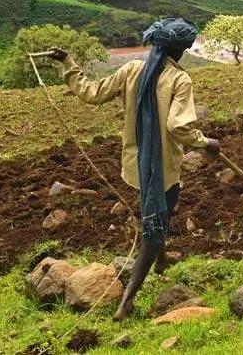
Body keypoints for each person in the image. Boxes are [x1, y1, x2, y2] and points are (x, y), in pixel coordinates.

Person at [47, 17, 220, 321]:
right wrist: (206, 142)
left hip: (135, 164)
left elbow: (91, 93)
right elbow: (178, 127)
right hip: (163, 168)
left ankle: (163, 261)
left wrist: (68, 62)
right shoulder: (180, 80)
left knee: (153, 213)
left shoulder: (131, 70)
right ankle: (127, 302)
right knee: (154, 230)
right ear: (179, 51)